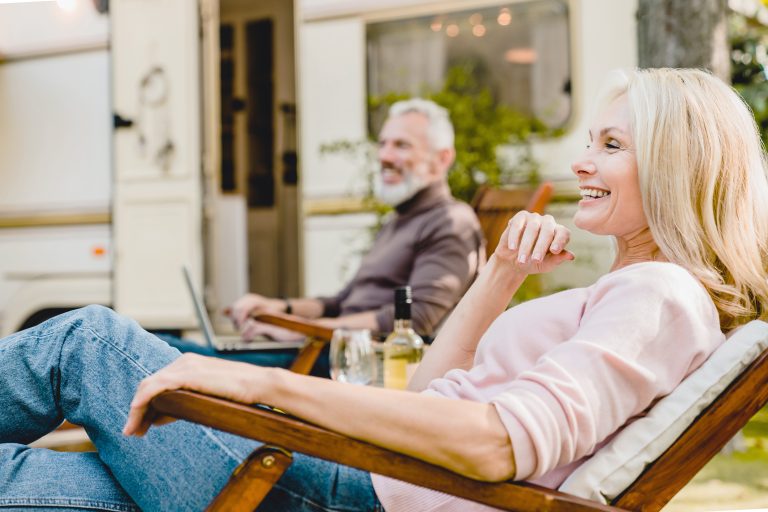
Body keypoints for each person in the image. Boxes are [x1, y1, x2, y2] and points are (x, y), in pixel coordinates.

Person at [1, 68, 767, 511]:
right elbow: (434, 392)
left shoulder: (661, 297)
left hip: (334, 490)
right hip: (351, 476)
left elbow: (496, 444)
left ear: (674, 167)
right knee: (26, 481)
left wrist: (253, 385)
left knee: (87, 340)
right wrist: (499, 275)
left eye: (611, 145)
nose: (581, 163)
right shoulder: (640, 291)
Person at [165, 98, 484, 374]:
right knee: (165, 348)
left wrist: (303, 332)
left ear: (443, 158)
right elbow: (341, 303)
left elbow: (416, 321)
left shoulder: (451, 224)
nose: (384, 156)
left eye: (401, 145)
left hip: (350, 366)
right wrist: (280, 309)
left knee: (168, 354)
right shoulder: (401, 220)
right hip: (322, 350)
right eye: (383, 143)